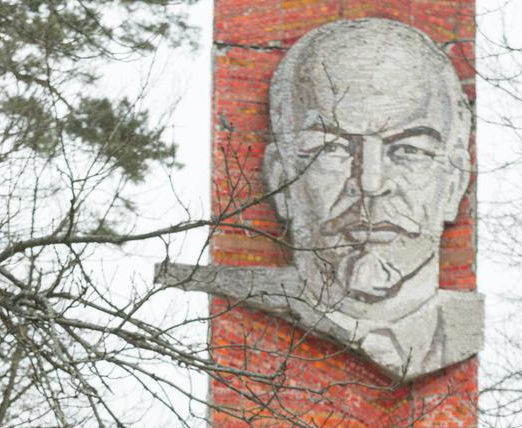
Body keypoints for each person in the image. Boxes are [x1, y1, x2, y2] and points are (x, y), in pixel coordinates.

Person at [158, 19, 483, 381]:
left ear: (455, 183)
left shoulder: (461, 330)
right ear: (281, 182)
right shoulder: (223, 309)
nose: (370, 183)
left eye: (408, 149)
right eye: (331, 149)